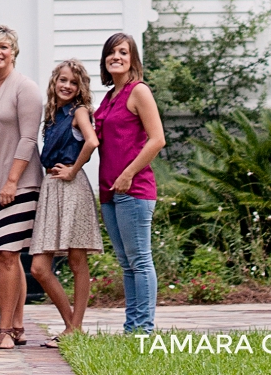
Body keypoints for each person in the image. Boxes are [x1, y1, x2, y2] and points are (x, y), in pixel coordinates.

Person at [0, 24, 43, 351]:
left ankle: (3, 331)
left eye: (4, 46)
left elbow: (29, 138)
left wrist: (12, 180)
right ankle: (17, 325)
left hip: (18, 185)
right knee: (9, 257)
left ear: (14, 50)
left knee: (5, 254)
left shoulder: (25, 88)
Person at [94, 32, 166, 336]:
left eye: (123, 52)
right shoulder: (109, 97)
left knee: (139, 260)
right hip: (110, 191)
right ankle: (131, 327)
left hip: (133, 190)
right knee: (126, 263)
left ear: (132, 59)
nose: (117, 57)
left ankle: (144, 329)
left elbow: (157, 139)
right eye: (112, 52)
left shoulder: (139, 92)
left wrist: (128, 173)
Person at [29, 60, 102, 343]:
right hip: (51, 187)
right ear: (54, 82)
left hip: (71, 186)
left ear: (80, 87)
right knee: (39, 268)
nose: (67, 86)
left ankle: (75, 327)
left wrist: (72, 170)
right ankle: (72, 326)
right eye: (63, 80)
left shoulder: (79, 112)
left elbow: (92, 141)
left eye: (73, 82)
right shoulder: (52, 115)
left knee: (76, 260)